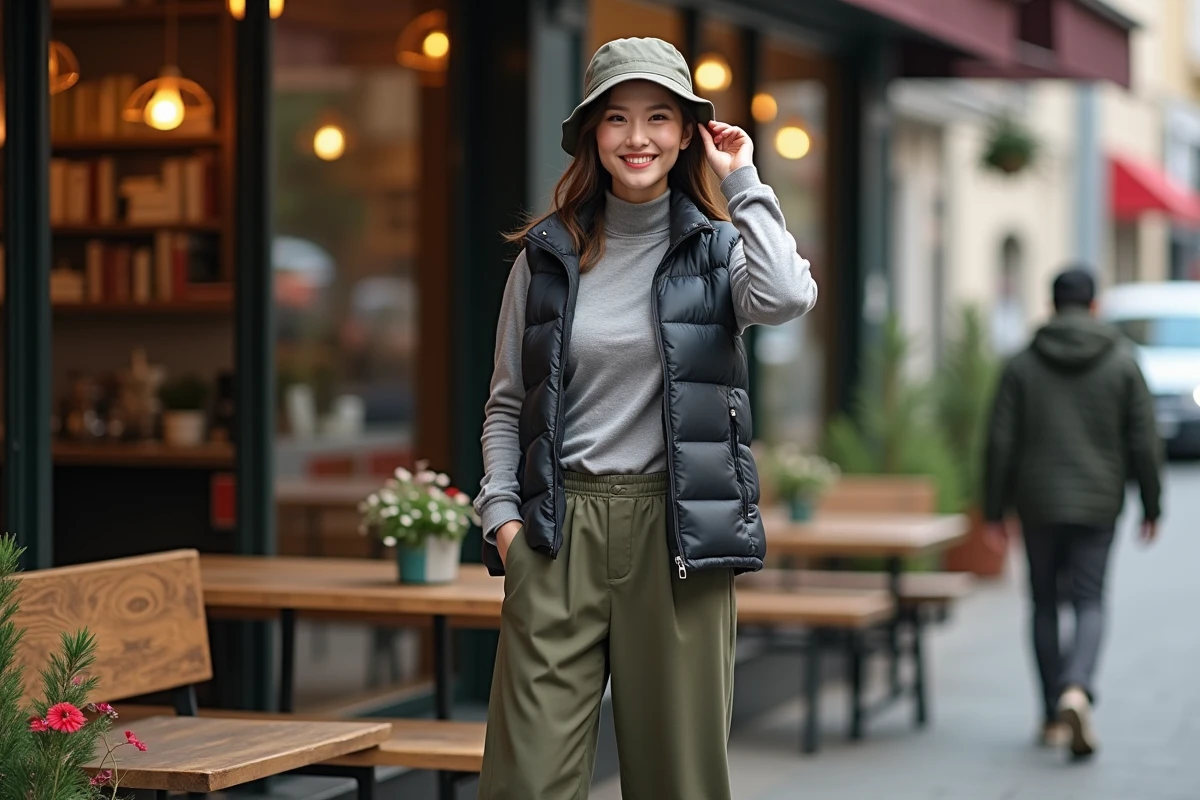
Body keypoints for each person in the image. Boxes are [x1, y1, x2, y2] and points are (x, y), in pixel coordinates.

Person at [471, 36, 816, 799]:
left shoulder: (719, 250)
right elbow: (505, 401)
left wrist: (746, 179)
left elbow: (789, 296)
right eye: (618, 118)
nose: (638, 138)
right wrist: (503, 521)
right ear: (592, 132)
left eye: (660, 117)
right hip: (559, 533)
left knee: (678, 782)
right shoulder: (547, 255)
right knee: (523, 782)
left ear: (687, 133)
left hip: (680, 534)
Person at [983, 267, 1163, 760]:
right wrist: (1152, 504)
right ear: (1095, 305)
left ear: (1051, 304)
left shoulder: (1021, 363)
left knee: (1044, 603)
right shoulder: (1124, 362)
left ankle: (1050, 717)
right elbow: (1143, 441)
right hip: (1099, 500)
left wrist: (994, 510)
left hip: (1037, 502)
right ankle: (1077, 689)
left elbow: (1000, 442)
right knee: (1089, 600)